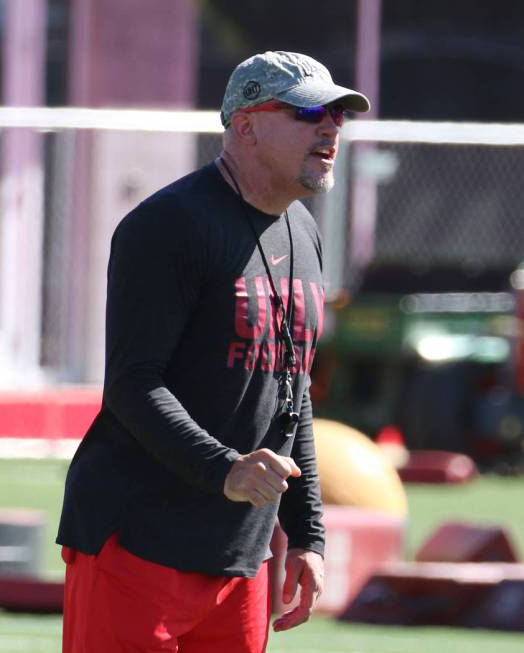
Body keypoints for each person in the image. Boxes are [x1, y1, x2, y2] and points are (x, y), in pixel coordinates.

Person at [57, 50, 370, 653]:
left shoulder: (303, 231)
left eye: (338, 114)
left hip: (240, 557)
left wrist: (307, 536)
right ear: (246, 124)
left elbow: (293, 393)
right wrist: (224, 467)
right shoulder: (169, 225)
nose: (331, 127)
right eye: (310, 111)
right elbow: (133, 383)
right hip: (137, 544)